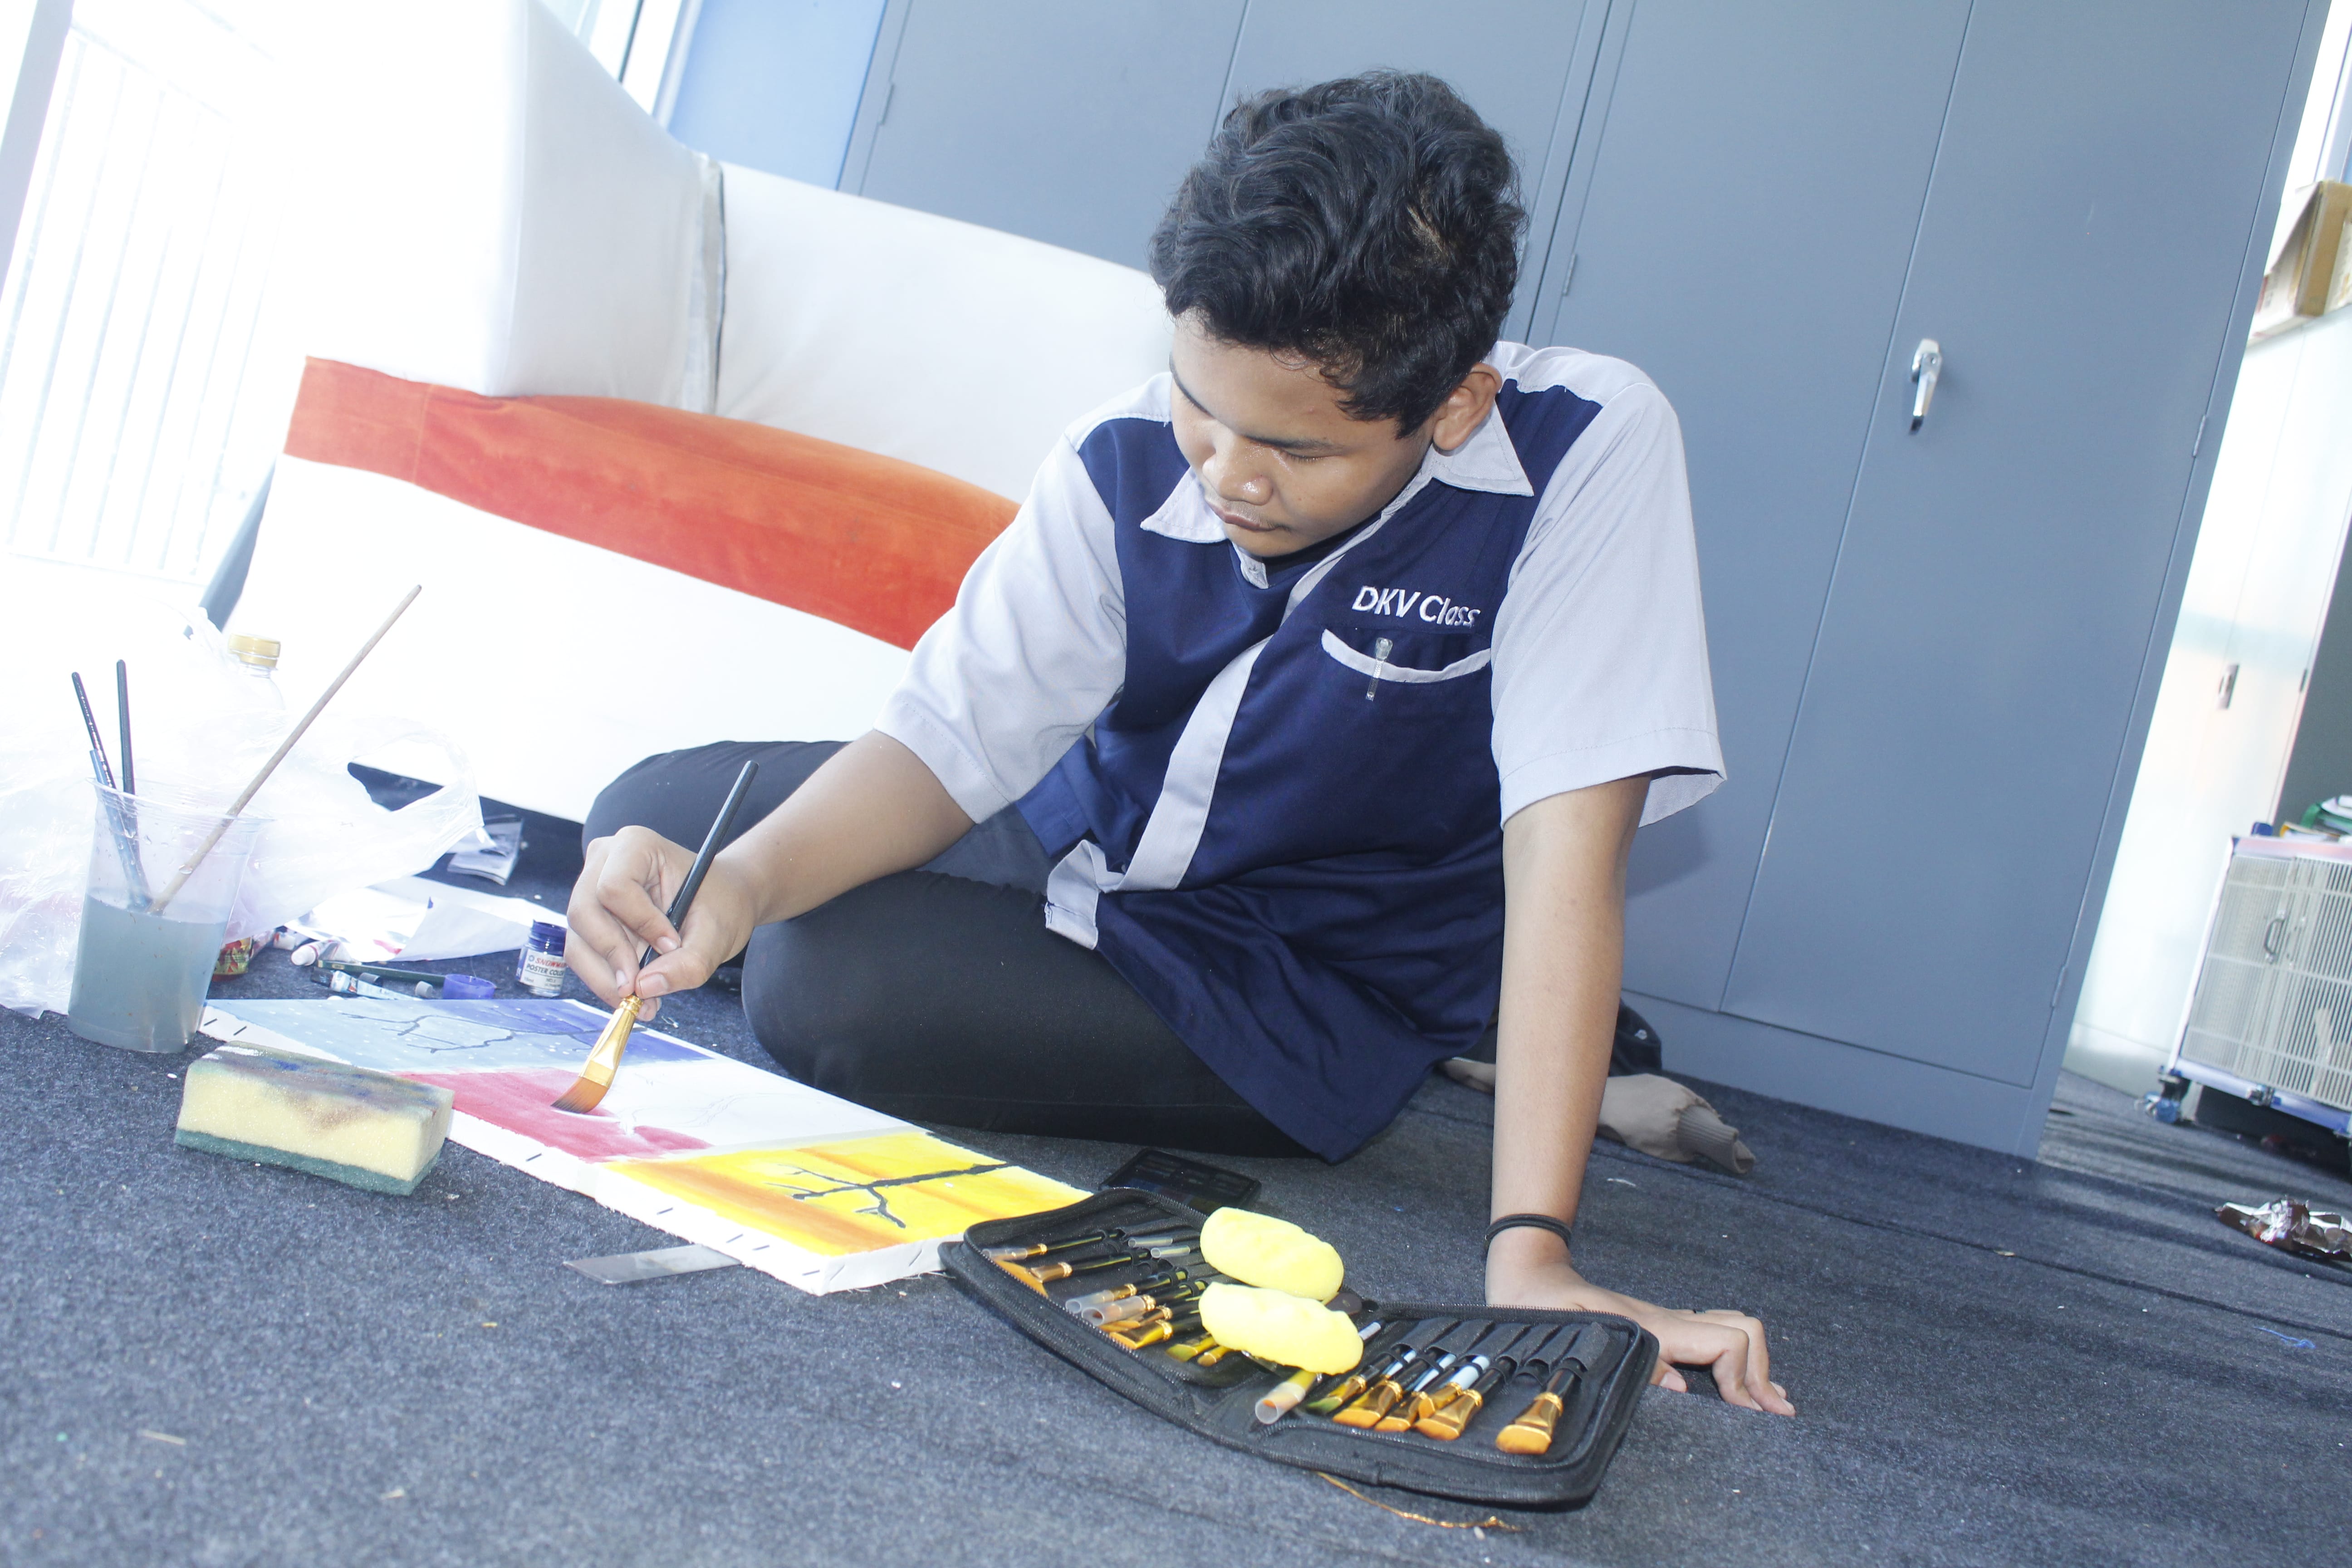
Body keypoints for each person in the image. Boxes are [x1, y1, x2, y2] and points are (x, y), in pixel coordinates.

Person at [568, 72, 1791, 1416]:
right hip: (1084, 829)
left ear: (1454, 405)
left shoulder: (1583, 451)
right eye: (1202, 407)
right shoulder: (1126, 450)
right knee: (655, 819)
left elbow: (1568, 852)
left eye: (1296, 451)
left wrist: (1534, 1257)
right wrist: (742, 880)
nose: (1227, 476)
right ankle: (757, 896)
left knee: (822, 986)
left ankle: (1504, 1044)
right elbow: (954, 738)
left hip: (1284, 975)